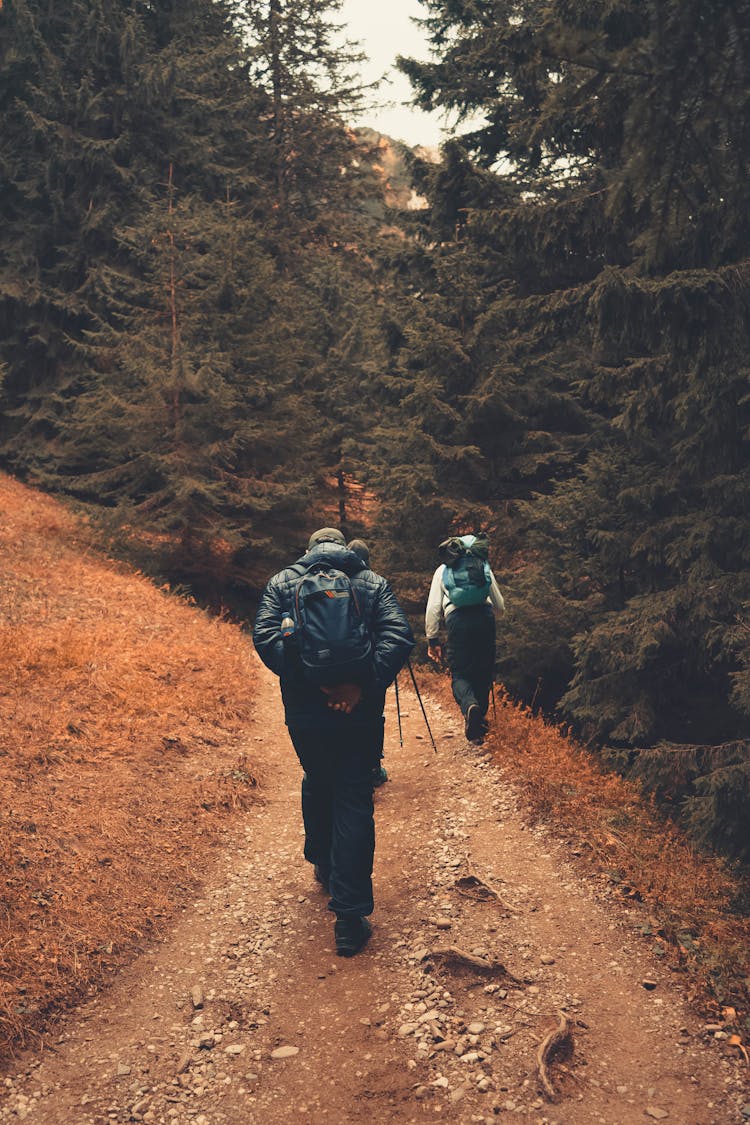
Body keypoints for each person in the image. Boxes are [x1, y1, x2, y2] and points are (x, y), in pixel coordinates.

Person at [253, 527, 413, 957]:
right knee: (353, 795)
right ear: (344, 549)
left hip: (305, 714)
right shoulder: (372, 582)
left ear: (308, 551)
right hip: (359, 713)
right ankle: (348, 919)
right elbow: (398, 635)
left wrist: (313, 682)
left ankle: (322, 860)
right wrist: (358, 687)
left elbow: (266, 640)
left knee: (318, 778)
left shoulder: (282, 582)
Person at [425, 533, 505, 743]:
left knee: (460, 673)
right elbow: (500, 605)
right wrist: (491, 615)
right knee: (483, 672)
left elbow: (433, 608)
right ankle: (479, 725)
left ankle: (470, 705)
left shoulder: (443, 570)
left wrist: (432, 640)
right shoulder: (481, 564)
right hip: (485, 618)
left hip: (457, 621)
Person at [347, 538, 388, 788]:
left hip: (344, 660)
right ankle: (373, 767)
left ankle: (349, 765)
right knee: (373, 715)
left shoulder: (334, 581)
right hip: (371, 661)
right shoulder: (375, 582)